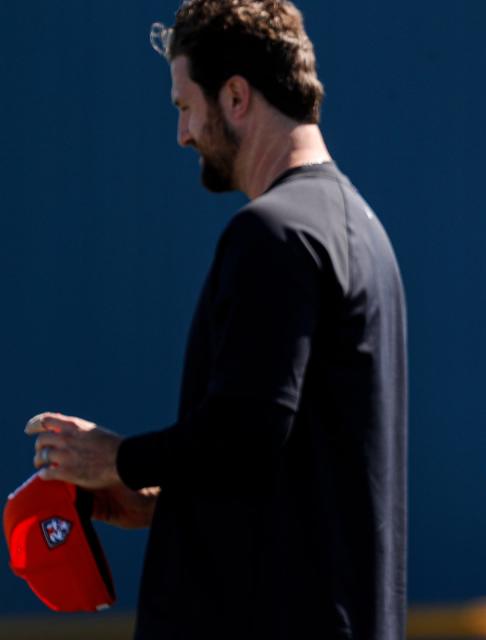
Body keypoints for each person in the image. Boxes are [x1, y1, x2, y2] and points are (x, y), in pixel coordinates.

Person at [24, 1, 407, 638]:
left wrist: (117, 459)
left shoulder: (274, 233)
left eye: (183, 106)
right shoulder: (361, 230)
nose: (181, 134)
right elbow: (281, 462)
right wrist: (164, 501)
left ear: (234, 96)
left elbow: (245, 432)